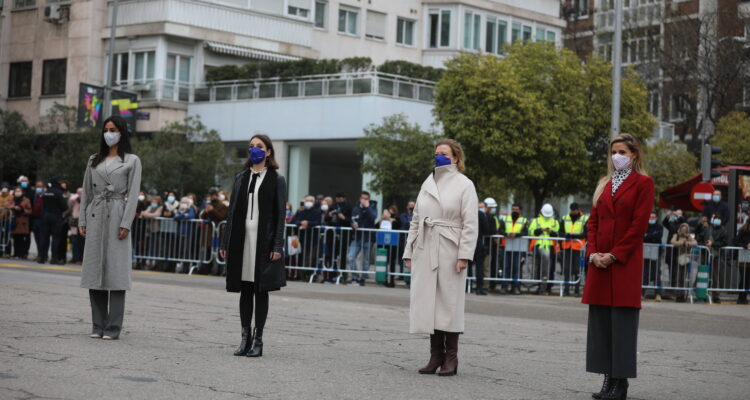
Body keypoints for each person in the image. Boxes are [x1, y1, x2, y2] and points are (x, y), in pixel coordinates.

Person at [584, 133, 654, 400]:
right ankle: (607, 378)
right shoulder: (604, 183)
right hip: (599, 263)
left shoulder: (644, 183)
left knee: (622, 324)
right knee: (601, 324)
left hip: (623, 263)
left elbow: (638, 226)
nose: (617, 156)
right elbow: (593, 223)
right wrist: (593, 254)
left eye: (623, 152)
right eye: (614, 152)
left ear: (634, 155)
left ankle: (620, 382)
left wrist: (614, 255)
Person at [403, 139, 478, 377]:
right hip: (426, 247)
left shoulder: (465, 184)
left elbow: (470, 223)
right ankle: (435, 355)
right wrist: (409, 251)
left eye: (444, 153)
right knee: (429, 302)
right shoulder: (427, 183)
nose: (439, 157)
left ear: (456, 158)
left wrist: (464, 255)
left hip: (450, 248)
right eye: (436, 153)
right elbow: (416, 220)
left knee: (449, 303)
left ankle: (451, 358)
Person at [220, 134, 286, 358]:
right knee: (245, 289)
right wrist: (225, 242)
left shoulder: (276, 179)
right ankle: (244, 337)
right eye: (251, 146)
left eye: (259, 146)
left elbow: (280, 215)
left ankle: (258, 340)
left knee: (261, 289)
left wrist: (277, 245)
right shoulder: (241, 177)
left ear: (268, 151)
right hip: (242, 240)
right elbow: (231, 212)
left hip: (263, 242)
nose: (254, 150)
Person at [79, 115, 142, 340]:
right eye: (106, 129)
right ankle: (97, 325)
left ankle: (113, 327)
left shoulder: (132, 160)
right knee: (94, 270)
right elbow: (86, 192)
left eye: (113, 129)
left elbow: (133, 195)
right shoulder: (94, 159)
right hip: (95, 214)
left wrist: (126, 222)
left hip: (117, 213)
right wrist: (82, 220)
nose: (109, 134)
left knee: (116, 272)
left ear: (122, 132)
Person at [528, 203, 560, 295]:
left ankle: (548, 286)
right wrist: (541, 230)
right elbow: (530, 232)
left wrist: (550, 231)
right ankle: (540, 285)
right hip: (539, 246)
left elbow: (557, 233)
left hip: (551, 247)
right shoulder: (536, 221)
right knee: (539, 267)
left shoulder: (555, 222)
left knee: (550, 268)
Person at [347, 191, 378, 286]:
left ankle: (363, 278)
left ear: (369, 199)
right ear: (359, 199)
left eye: (366, 199)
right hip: (357, 237)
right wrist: (353, 225)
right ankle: (355, 277)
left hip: (368, 238)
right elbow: (352, 219)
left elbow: (373, 217)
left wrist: (367, 207)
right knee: (351, 257)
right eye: (362, 198)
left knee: (366, 260)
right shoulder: (356, 208)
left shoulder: (373, 207)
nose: (364, 200)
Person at [697, 215, 728, 304]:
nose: (717, 220)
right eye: (716, 219)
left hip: (716, 255)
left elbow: (725, 242)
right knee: (703, 274)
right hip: (705, 253)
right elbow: (699, 238)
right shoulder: (707, 229)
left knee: (715, 276)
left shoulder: (723, 230)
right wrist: (704, 244)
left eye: (719, 219)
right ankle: (702, 294)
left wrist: (713, 244)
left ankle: (716, 296)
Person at [498, 204, 528, 294]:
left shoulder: (524, 220)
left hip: (518, 248)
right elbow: (500, 230)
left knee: (516, 268)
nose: (514, 211)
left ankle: (516, 287)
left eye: (516, 209)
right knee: (506, 267)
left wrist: (516, 235)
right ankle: (504, 287)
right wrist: (507, 234)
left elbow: (525, 232)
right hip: (506, 246)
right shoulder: (505, 219)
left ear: (520, 210)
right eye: (513, 209)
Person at [560, 203, 588, 297]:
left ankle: (576, 290)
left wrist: (575, 236)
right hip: (567, 247)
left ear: (578, 210)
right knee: (566, 269)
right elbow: (560, 232)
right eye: (571, 210)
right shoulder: (565, 218)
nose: (573, 212)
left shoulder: (584, 219)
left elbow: (586, 234)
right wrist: (566, 235)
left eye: (574, 210)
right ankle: (566, 290)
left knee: (577, 269)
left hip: (578, 248)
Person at [39, 177, 68, 265]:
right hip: (56, 217)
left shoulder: (46, 192)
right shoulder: (59, 192)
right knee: (56, 238)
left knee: (44, 237)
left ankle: (42, 257)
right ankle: (54, 259)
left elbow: (42, 205)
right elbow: (65, 207)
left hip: (45, 216)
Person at [670, 223, 697, 303]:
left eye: (685, 229)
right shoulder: (676, 235)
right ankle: (678, 295)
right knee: (678, 277)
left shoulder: (689, 236)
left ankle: (683, 295)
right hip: (677, 259)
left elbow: (695, 243)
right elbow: (672, 242)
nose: (683, 231)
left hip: (686, 259)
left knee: (684, 278)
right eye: (682, 229)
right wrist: (682, 243)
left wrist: (687, 243)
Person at [642, 212, 664, 301]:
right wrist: (651, 236)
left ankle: (658, 294)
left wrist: (648, 236)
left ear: (656, 218)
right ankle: (642, 293)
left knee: (656, 273)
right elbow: (642, 237)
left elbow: (658, 237)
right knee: (645, 273)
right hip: (646, 252)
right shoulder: (644, 226)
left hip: (656, 252)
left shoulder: (659, 227)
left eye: (653, 217)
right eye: (650, 217)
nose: (651, 219)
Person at [471, 201, 491, 295]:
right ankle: (479, 288)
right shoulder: (481, 214)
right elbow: (487, 230)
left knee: (468, 265)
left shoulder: (467, 213)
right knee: (479, 266)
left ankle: (467, 286)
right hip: (478, 242)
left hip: (468, 241)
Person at [10, 187, 32, 259]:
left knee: (21, 238)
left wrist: (22, 209)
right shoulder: (11, 199)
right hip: (14, 220)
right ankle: (15, 253)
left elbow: (29, 211)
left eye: (19, 191)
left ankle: (21, 254)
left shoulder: (26, 200)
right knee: (15, 238)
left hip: (22, 221)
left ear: (22, 192)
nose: (17, 192)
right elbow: (7, 205)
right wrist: (13, 207)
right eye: (16, 191)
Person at [734, 219, 750, 305]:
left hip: (749, 257)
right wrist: (745, 245)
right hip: (742, 257)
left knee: (748, 279)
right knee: (743, 278)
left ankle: (744, 297)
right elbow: (736, 242)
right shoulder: (742, 231)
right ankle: (740, 297)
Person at [69, 188, 85, 264]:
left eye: (81, 192)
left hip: (83, 222)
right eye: (78, 192)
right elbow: (71, 200)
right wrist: (78, 195)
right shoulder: (74, 200)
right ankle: (75, 258)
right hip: (75, 221)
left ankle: (81, 259)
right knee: (74, 241)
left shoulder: (86, 200)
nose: (80, 194)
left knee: (82, 242)